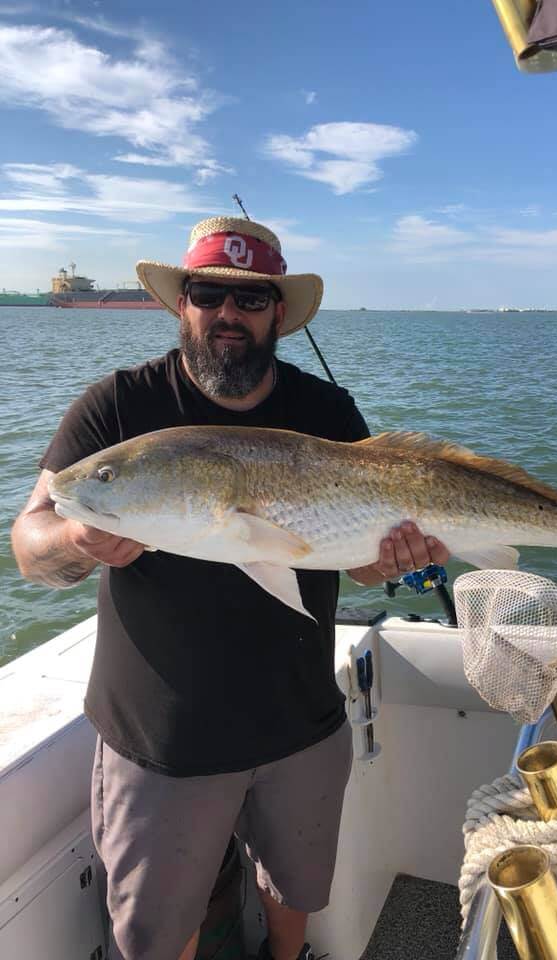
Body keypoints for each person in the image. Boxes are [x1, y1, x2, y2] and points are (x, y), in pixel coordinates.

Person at [11, 215, 450, 960]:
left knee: (296, 891)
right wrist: (78, 540)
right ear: (181, 303)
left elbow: (362, 561)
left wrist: (396, 560)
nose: (227, 316)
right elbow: (31, 542)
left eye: (249, 301)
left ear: (278, 312)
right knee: (157, 933)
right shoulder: (116, 410)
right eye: (209, 294)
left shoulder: (328, 414)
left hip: (301, 720)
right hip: (162, 738)